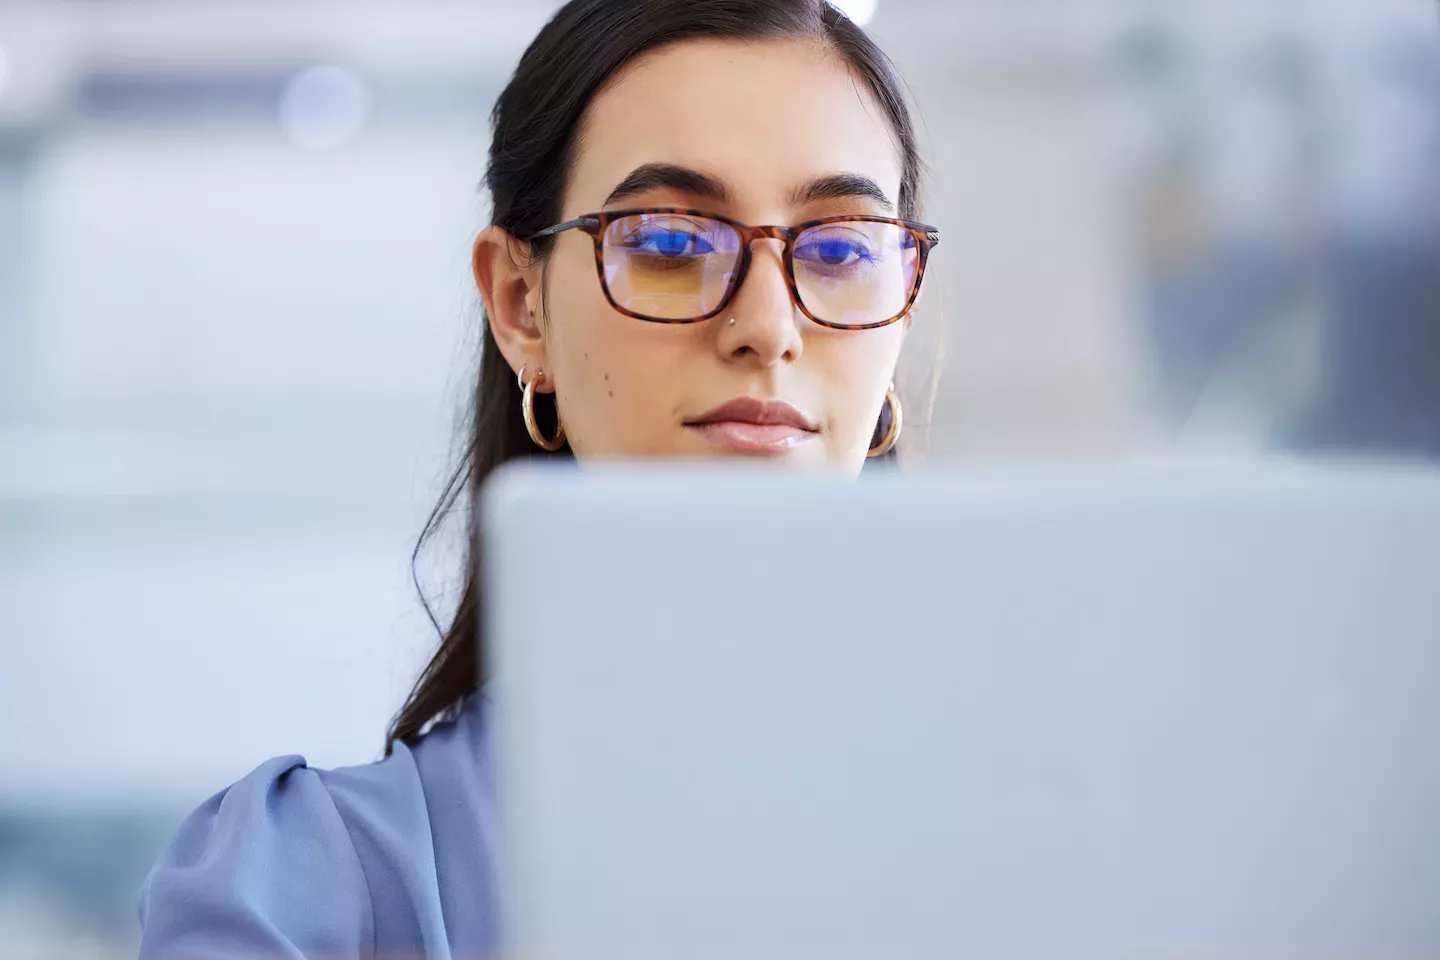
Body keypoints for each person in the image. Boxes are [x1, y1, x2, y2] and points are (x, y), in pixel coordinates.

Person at [137, 0, 938, 956]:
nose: (769, 327)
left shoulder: (1029, 833)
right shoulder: (304, 895)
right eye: (672, 243)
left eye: (842, 249)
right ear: (522, 304)